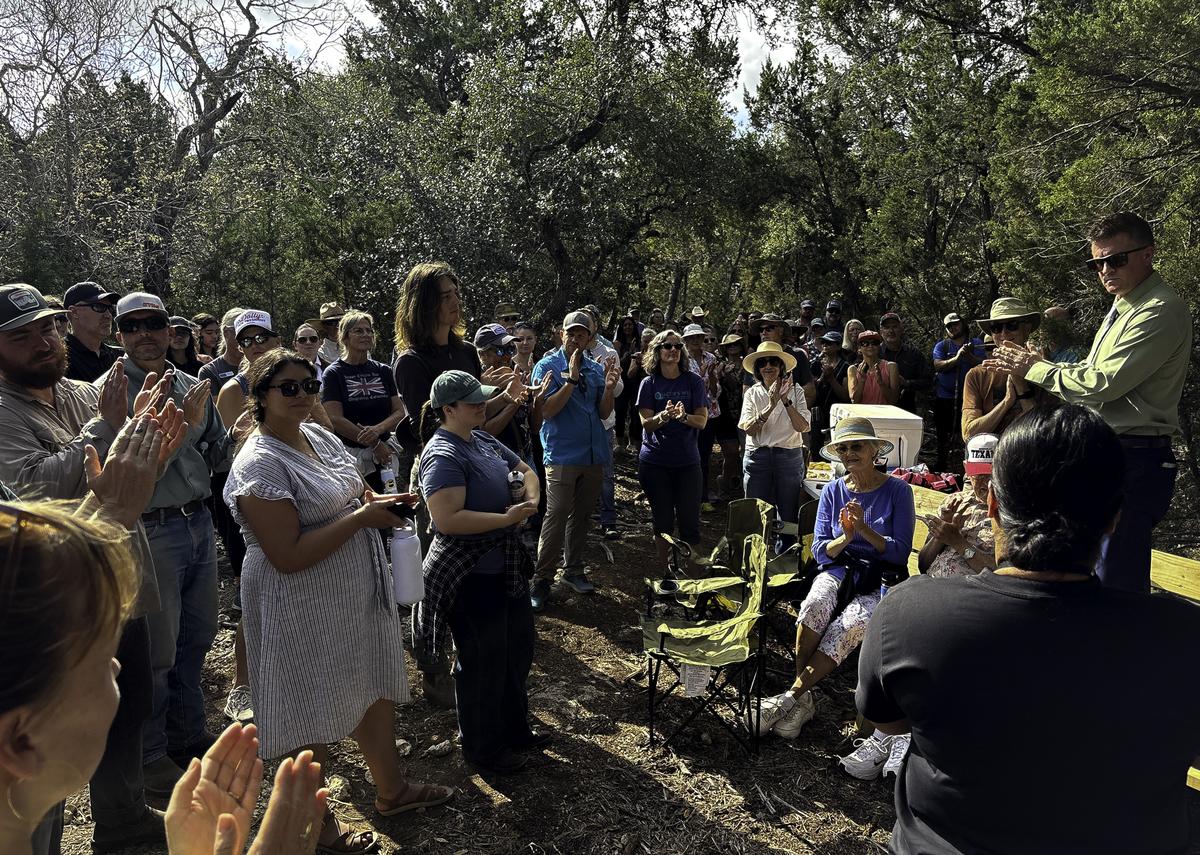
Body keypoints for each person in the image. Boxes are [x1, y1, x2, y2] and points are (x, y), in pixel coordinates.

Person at [857, 405, 1200, 855]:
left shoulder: (908, 615)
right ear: (1115, 517)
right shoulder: (1183, 638)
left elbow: (885, 719)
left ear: (994, 505)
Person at [225, 349, 454, 852]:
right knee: (305, 708)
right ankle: (316, 830)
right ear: (260, 396)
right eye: (288, 387)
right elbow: (286, 555)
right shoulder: (258, 463)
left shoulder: (320, 436)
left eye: (309, 385)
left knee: (371, 684)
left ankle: (392, 790)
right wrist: (361, 519)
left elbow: (352, 495)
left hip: (351, 592)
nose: (303, 395)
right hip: (296, 602)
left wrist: (380, 503)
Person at [0, 284, 185, 851]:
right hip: (56, 597)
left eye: (48, 327)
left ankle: (123, 816)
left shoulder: (83, 392)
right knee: (51, 728)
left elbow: (128, 473)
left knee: (130, 701)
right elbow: (32, 491)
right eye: (22, 335)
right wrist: (106, 432)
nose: (43, 342)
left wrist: (155, 449)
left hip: (121, 570)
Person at [988, 212, 1191, 594]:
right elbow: (1093, 371)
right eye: (1097, 263)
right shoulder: (1125, 305)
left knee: (1114, 585)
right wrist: (1041, 365)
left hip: (1133, 456)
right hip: (1111, 451)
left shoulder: (1158, 309)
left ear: (1148, 254)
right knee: (1083, 577)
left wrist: (1035, 368)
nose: (1105, 270)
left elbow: (1104, 384)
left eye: (1116, 259)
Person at [110, 292, 230, 797]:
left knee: (197, 637)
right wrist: (184, 428)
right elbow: (131, 470)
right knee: (156, 652)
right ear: (119, 334)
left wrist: (238, 436)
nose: (145, 334)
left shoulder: (189, 384)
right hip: (151, 528)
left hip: (197, 521)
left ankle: (186, 733)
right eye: (132, 326)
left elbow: (217, 450)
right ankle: (152, 753)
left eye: (154, 323)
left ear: (168, 329)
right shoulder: (111, 391)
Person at [755, 417, 914, 746]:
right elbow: (819, 550)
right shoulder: (832, 490)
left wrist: (864, 531)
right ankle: (803, 700)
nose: (850, 453)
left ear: (874, 451)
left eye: (857, 446)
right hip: (839, 569)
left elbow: (899, 553)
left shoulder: (898, 491)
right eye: (843, 448)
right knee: (814, 604)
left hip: (879, 578)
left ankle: (790, 698)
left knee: (849, 625)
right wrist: (846, 536)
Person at [416, 371, 544, 776]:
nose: (481, 406)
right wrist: (506, 518)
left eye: (481, 399)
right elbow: (447, 519)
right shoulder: (442, 454)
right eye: (472, 402)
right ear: (448, 409)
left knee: (516, 649)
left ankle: (514, 729)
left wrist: (530, 502)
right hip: (470, 573)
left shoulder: (482, 439)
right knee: (482, 659)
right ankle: (483, 747)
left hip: (503, 566)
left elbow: (526, 470)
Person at [391, 263, 485, 707]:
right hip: (435, 472)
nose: (455, 302)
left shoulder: (467, 353)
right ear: (424, 303)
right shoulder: (411, 362)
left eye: (456, 292)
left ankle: (467, 655)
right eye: (445, 295)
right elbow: (428, 427)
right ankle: (431, 664)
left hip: (475, 464)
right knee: (433, 572)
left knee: (469, 566)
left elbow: (476, 414)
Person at [528, 311, 621, 610]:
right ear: (561, 334)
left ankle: (573, 570)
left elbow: (604, 412)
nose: (576, 339)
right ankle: (542, 578)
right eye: (571, 333)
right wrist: (570, 379)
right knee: (555, 515)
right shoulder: (547, 367)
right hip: (562, 455)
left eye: (582, 334)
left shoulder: (595, 368)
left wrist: (609, 389)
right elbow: (546, 411)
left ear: (590, 338)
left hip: (593, 454)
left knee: (581, 516)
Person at [636, 330, 709, 571]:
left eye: (678, 346)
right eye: (667, 346)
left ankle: (693, 574)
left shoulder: (693, 381)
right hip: (655, 462)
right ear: (657, 352)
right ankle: (666, 572)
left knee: (690, 522)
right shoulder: (649, 383)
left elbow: (702, 421)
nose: (673, 350)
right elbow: (646, 424)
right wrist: (664, 416)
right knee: (663, 521)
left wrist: (683, 416)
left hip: (687, 462)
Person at [321, 311, 407, 492]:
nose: (366, 334)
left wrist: (378, 430)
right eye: (358, 331)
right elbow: (335, 419)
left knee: (391, 499)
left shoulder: (383, 371)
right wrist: (374, 443)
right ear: (344, 337)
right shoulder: (334, 373)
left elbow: (399, 411)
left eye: (369, 330)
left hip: (385, 454)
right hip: (352, 457)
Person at [739, 342, 811, 551]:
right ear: (757, 369)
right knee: (755, 511)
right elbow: (749, 430)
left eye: (773, 362)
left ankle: (785, 556)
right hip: (758, 456)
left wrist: (785, 401)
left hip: (789, 455)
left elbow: (802, 427)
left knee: (788, 512)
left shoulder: (796, 391)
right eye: (763, 363)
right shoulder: (752, 393)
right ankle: (754, 556)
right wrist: (770, 406)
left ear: (781, 367)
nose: (768, 366)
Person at [915, 432, 998, 578]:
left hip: (972, 591)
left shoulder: (1010, 513)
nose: (986, 481)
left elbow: (1002, 577)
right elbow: (923, 565)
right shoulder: (954, 503)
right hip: (931, 585)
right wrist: (940, 535)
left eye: (992, 473)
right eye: (978, 473)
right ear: (967, 470)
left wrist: (957, 541)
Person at [961, 298, 1046, 440]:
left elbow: (1044, 432)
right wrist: (1007, 401)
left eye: (1012, 325)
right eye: (996, 327)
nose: (1004, 333)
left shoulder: (1044, 372)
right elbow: (969, 434)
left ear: (1027, 329)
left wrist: (1021, 388)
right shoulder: (977, 375)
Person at [581, 312, 624, 538]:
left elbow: (618, 390)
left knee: (606, 474)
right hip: (578, 425)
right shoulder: (570, 354)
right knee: (578, 474)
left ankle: (609, 520)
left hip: (604, 424)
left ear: (595, 327)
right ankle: (581, 520)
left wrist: (609, 380)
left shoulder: (609, 353)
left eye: (587, 325)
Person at [473, 323, 541, 467]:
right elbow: (485, 433)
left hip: (527, 459)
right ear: (482, 354)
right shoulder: (477, 386)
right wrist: (514, 403)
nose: (507, 356)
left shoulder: (518, 376)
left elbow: (535, 428)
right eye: (499, 351)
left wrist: (538, 400)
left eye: (510, 349)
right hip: (497, 464)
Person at [931, 312, 984, 471]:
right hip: (944, 398)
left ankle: (968, 467)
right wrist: (957, 358)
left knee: (969, 433)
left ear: (962, 324)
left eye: (955, 324)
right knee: (943, 435)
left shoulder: (976, 343)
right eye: (949, 326)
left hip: (970, 398)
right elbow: (938, 365)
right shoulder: (942, 346)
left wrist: (968, 356)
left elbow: (983, 364)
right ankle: (942, 466)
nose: (953, 328)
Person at [682, 323, 724, 513]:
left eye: (698, 337)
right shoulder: (681, 359)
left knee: (704, 457)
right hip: (688, 414)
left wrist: (713, 375)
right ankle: (686, 498)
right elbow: (687, 387)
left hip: (709, 413)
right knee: (687, 455)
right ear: (685, 340)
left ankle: (703, 497)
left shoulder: (711, 357)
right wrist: (701, 373)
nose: (696, 340)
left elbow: (715, 390)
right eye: (691, 338)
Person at [63, 280, 123, 382]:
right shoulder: (58, 358)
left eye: (110, 308)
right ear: (74, 312)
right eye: (99, 307)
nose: (108, 315)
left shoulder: (119, 356)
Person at [711, 333, 746, 498]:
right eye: (729, 345)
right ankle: (724, 484)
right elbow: (713, 389)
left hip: (744, 414)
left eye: (736, 344)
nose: (732, 347)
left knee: (745, 453)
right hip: (725, 416)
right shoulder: (719, 366)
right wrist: (720, 375)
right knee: (731, 453)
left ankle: (740, 486)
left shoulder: (748, 365)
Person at [879, 312, 932, 414]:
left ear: (901, 329)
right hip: (879, 408)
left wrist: (907, 383)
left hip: (907, 409)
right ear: (881, 331)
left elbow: (928, 381)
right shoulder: (874, 353)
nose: (891, 331)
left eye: (894, 327)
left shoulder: (914, 354)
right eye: (887, 327)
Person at [810, 330, 850, 455]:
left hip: (836, 414)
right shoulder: (815, 364)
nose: (825, 345)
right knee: (815, 449)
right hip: (817, 413)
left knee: (836, 450)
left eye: (829, 343)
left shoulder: (845, 367)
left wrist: (832, 379)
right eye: (823, 342)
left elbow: (846, 396)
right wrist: (822, 378)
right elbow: (811, 388)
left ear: (838, 346)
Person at [196, 307, 245, 402]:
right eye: (240, 331)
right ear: (226, 333)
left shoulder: (260, 366)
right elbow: (216, 408)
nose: (246, 337)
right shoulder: (210, 371)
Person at [614, 317, 644, 454]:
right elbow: (617, 362)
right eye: (625, 325)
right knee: (620, 410)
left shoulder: (640, 342)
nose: (628, 327)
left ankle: (632, 442)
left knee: (635, 412)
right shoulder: (617, 344)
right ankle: (619, 442)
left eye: (630, 325)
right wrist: (629, 352)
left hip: (636, 381)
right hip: (621, 381)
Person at [848, 330, 899, 405]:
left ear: (879, 346)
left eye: (874, 343)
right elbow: (854, 401)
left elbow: (894, 400)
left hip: (884, 412)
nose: (870, 346)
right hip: (862, 412)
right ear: (859, 348)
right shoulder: (853, 369)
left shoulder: (891, 367)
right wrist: (862, 381)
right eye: (865, 343)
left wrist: (881, 383)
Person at [316, 301, 345, 367]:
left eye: (340, 321)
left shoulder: (356, 346)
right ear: (324, 327)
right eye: (331, 323)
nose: (337, 326)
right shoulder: (320, 353)